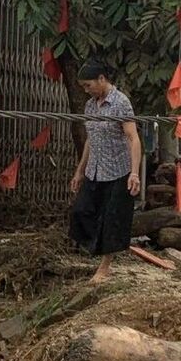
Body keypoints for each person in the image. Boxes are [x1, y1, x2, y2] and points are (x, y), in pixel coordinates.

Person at [66, 61, 143, 283]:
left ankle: (105, 266)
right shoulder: (90, 106)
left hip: (118, 169)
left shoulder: (121, 103)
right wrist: (80, 171)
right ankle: (93, 249)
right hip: (95, 169)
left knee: (112, 219)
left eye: (88, 85)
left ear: (102, 79)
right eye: (83, 86)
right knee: (81, 211)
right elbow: (91, 138)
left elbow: (132, 137)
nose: (86, 90)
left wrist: (134, 172)